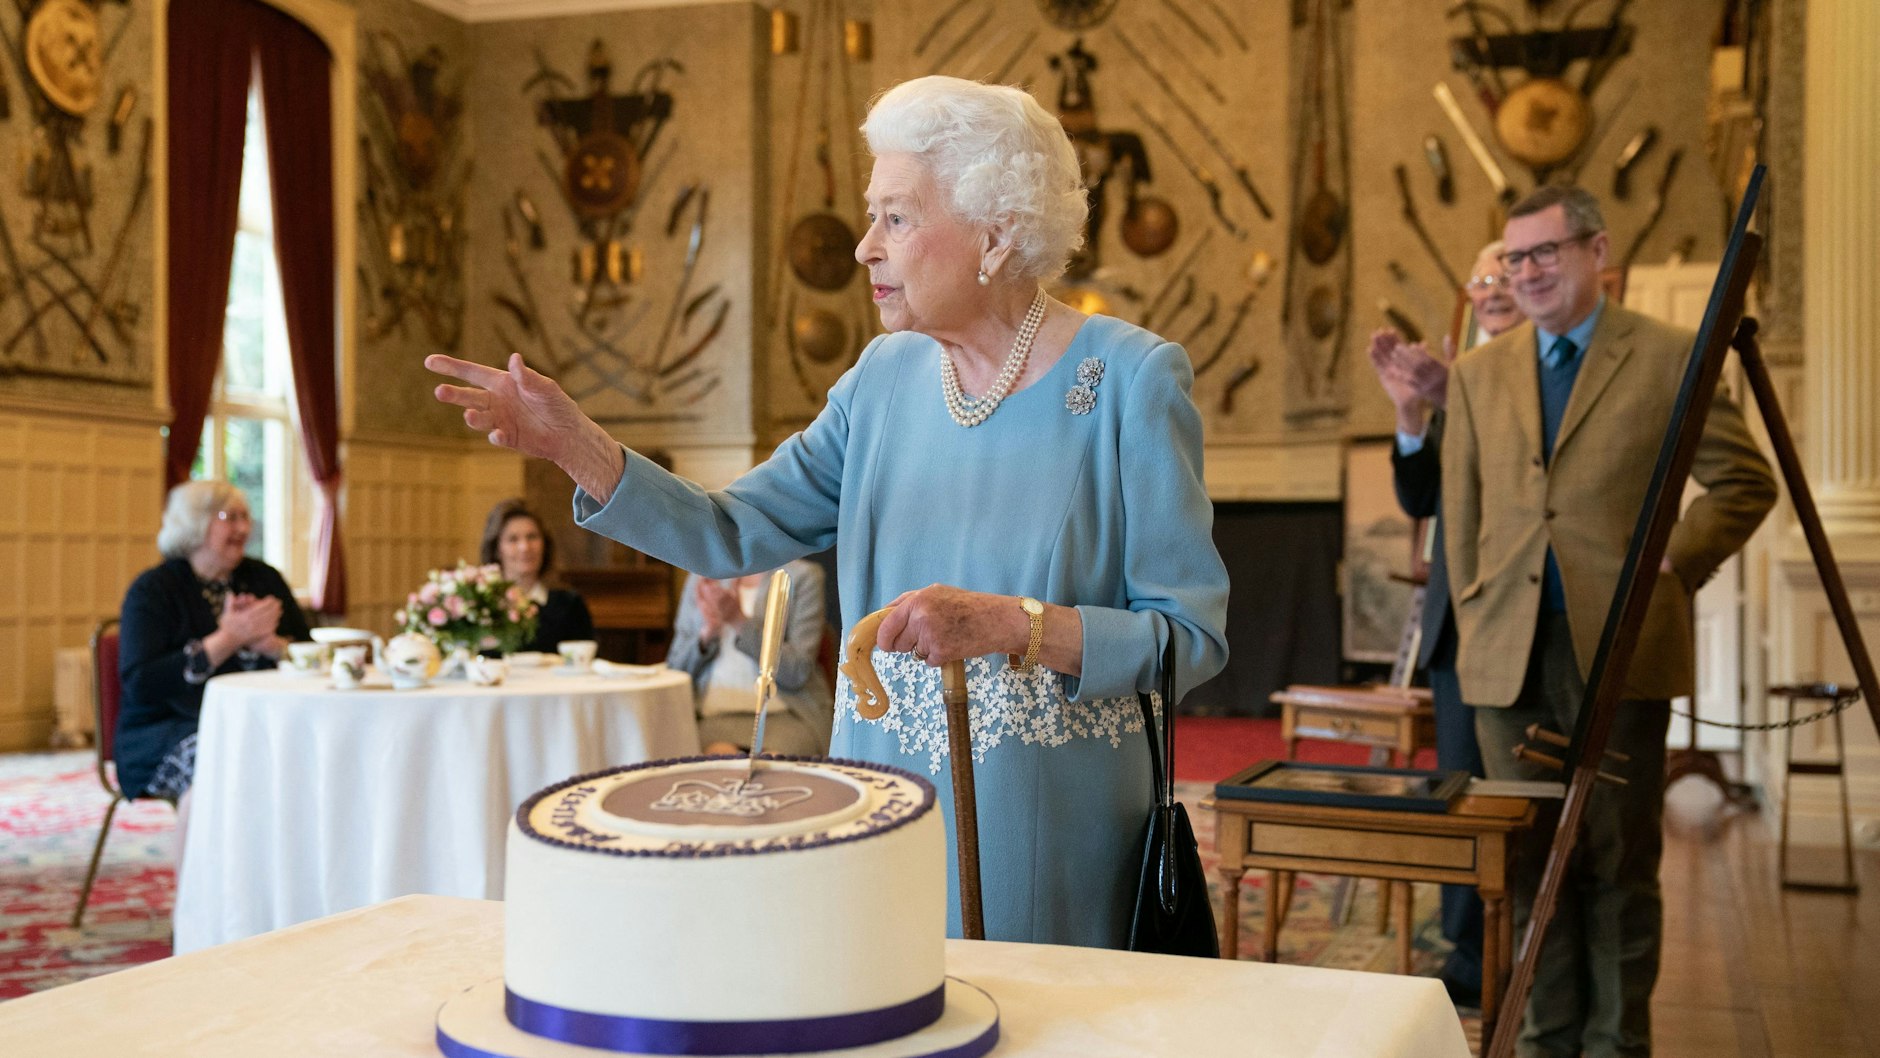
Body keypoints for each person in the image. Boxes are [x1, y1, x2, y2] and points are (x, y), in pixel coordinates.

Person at [428, 75, 1229, 948]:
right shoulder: (879, 382)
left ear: (994, 235)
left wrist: (1015, 624)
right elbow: (727, 532)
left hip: (1052, 827)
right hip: (880, 802)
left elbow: (1190, 637)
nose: (863, 249)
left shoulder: (1130, 380)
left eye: (895, 217)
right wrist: (576, 444)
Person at [1443, 185, 1776, 1057]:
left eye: (1546, 253)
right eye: (1515, 258)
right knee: (1528, 861)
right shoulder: (1479, 374)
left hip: (1621, 648)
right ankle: (1548, 1041)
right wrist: (1476, 610)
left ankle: (1616, 1044)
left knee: (1618, 867)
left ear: (1598, 252)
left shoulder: (1672, 356)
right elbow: (1465, 515)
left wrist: (1679, 556)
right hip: (1506, 660)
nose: (1528, 272)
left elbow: (1746, 481)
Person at [1367, 239, 1526, 1009]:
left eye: (1508, 272)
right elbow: (1422, 496)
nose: (1494, 285)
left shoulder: (1541, 374)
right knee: (1459, 790)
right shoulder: (1453, 370)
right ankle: (1469, 956)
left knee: (1518, 795)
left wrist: (1453, 391)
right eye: (1483, 275)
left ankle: (1529, 942)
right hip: (1458, 625)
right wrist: (1409, 415)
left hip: (1533, 618)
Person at [117, 481, 310, 807]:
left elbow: (310, 653)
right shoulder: (154, 590)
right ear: (196, 523)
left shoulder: (265, 579)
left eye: (246, 517)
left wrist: (275, 646)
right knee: (225, 768)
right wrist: (228, 639)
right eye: (230, 517)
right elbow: (140, 682)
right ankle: (210, 859)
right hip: (164, 731)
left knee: (310, 756)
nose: (243, 528)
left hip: (262, 721)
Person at [668, 559, 834, 757]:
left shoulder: (802, 576)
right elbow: (676, 670)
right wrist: (708, 633)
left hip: (785, 714)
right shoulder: (701, 576)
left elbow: (797, 672)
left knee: (771, 771)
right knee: (720, 764)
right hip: (713, 714)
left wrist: (738, 620)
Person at [480, 498, 593, 654]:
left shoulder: (569, 604)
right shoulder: (482, 604)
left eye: (532, 537)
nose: (525, 547)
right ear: (497, 549)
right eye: (513, 539)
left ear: (544, 544)